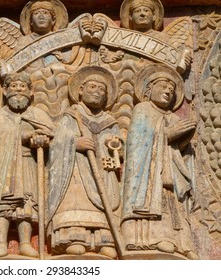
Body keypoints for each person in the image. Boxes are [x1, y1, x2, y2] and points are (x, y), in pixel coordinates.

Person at [121, 64, 199, 259]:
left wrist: (184, 139)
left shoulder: (172, 116)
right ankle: (150, 240)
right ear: (148, 89)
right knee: (154, 202)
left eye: (172, 91)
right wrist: (167, 134)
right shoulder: (143, 109)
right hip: (147, 175)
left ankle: (181, 242)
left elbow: (179, 151)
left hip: (170, 174)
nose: (168, 92)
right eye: (163, 86)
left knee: (175, 205)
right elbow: (137, 143)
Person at [47, 66, 122, 258]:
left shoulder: (109, 121)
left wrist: (117, 146)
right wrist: (74, 143)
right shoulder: (72, 115)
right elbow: (57, 140)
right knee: (77, 198)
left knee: (106, 204)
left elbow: (119, 147)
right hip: (77, 170)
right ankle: (74, 237)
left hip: (103, 170)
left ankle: (104, 240)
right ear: (80, 91)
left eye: (102, 90)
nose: (97, 92)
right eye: (92, 87)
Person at [0, 73, 54, 258]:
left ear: (31, 91)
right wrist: (25, 135)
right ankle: (1, 242)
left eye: (23, 86)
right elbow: (0, 138)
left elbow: (51, 133)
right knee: (3, 203)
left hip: (28, 162)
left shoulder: (37, 114)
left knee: (26, 203)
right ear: (4, 91)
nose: (18, 89)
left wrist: (42, 138)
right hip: (3, 167)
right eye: (14, 86)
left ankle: (25, 242)